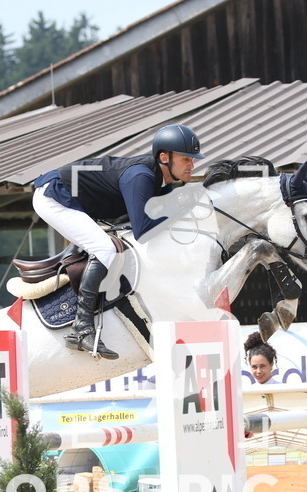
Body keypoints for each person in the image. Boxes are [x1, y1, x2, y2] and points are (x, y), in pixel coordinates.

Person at [32, 123, 204, 361]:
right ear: (164, 157)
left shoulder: (160, 182)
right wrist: (178, 208)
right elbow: (143, 230)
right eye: (186, 159)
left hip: (73, 198)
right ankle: (81, 329)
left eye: (193, 160)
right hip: (54, 195)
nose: (191, 165)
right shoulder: (141, 176)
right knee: (104, 248)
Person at [244, 331, 297, 492]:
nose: (258, 371)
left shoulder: (285, 390)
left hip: (283, 455)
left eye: (262, 366)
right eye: (254, 366)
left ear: (272, 365)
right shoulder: (243, 393)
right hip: (256, 458)